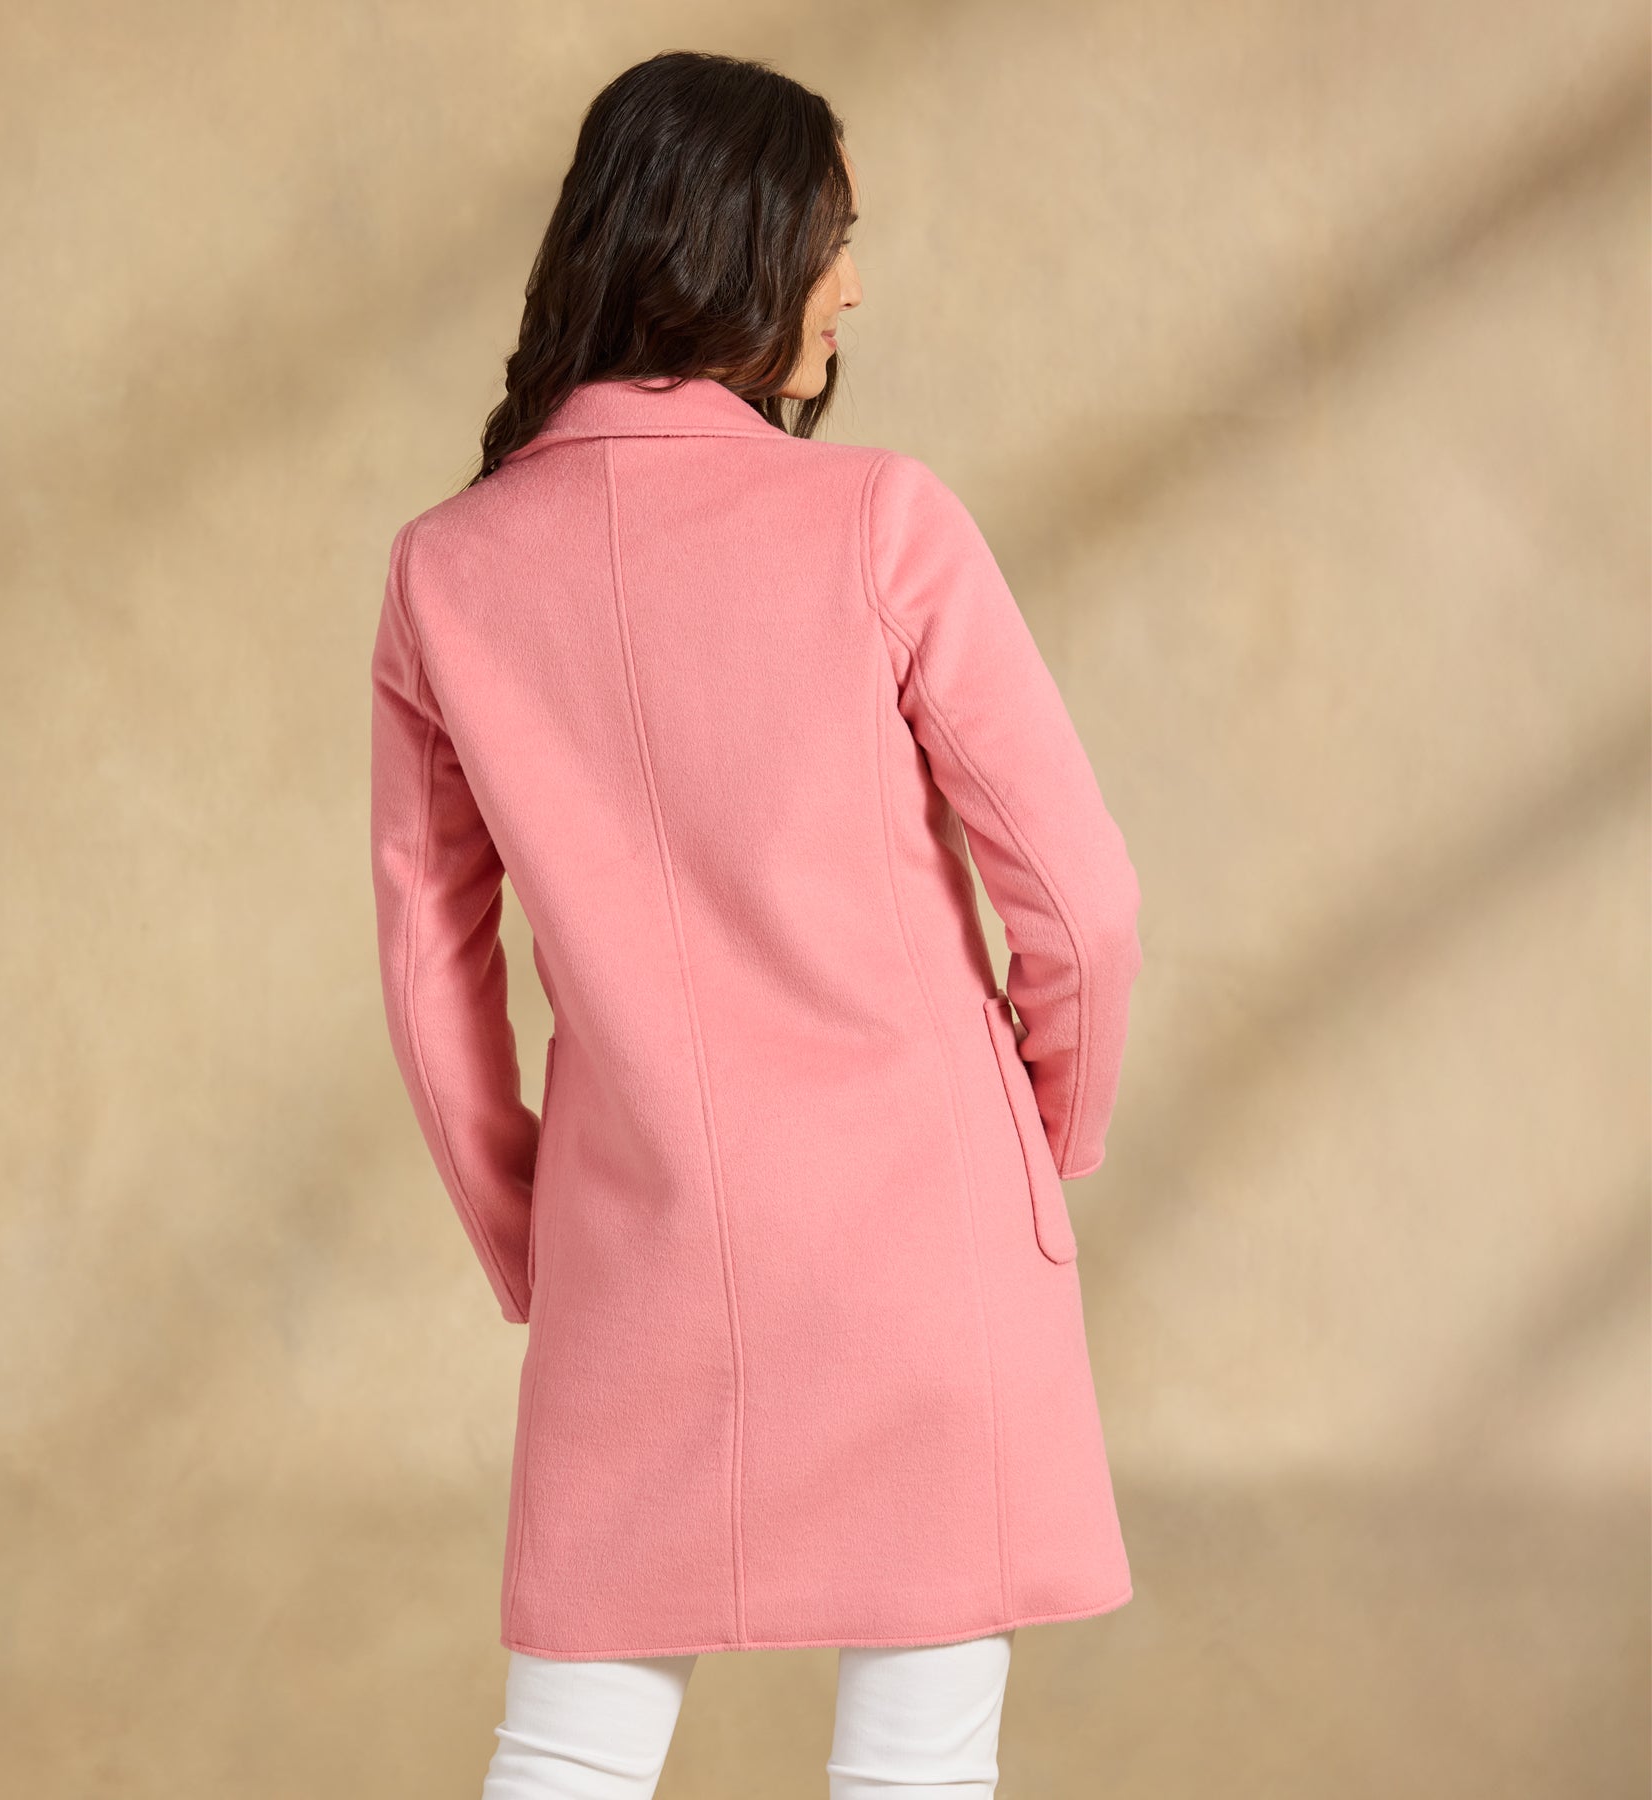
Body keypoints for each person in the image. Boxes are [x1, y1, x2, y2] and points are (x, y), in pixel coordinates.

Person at [368, 49, 1144, 1798]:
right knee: (916, 1763)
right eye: (834, 235)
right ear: (739, 243)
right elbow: (1081, 903)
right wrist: (1050, 1138)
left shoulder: (447, 568)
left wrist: (542, 1243)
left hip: (638, 1245)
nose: (851, 284)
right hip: (924, 1228)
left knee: (567, 1754)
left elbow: (431, 983)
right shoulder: (881, 520)